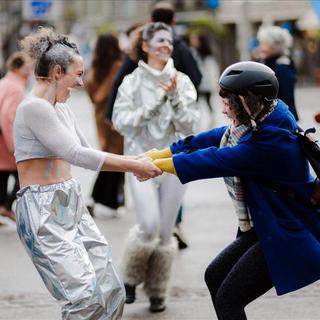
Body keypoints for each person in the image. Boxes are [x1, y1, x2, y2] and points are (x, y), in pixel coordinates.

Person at [146, 61, 320, 319]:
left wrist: (161, 166)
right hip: (267, 223)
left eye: (229, 103)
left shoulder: (271, 143)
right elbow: (219, 135)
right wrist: (166, 151)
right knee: (214, 276)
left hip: (286, 230)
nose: (224, 109)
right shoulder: (269, 114)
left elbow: (215, 159)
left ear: (248, 101)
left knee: (230, 298)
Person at [14, 26, 161, 320]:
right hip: (43, 211)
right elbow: (77, 154)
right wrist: (133, 164)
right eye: (77, 74)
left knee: (111, 290)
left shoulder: (61, 108)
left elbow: (89, 154)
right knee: (83, 298)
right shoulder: (34, 108)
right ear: (57, 72)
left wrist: (137, 158)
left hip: (69, 200)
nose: (81, 83)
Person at [112, 22, 198, 312]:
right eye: (160, 40)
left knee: (164, 231)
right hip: (140, 161)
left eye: (170, 40)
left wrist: (173, 97)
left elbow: (189, 125)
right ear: (145, 46)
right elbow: (121, 122)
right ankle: (130, 277)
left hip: (175, 162)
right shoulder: (131, 82)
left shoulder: (182, 81)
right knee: (147, 225)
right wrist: (154, 105)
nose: (166, 45)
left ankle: (158, 290)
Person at [85, 33, 125, 218]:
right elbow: (108, 91)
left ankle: (105, 198)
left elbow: (91, 91)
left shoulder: (94, 68)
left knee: (110, 155)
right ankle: (104, 198)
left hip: (101, 115)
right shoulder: (118, 65)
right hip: (114, 116)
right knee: (115, 157)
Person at [0, 51, 32, 224]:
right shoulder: (15, 88)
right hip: (7, 143)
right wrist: (15, 145)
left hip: (2, 143)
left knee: (4, 176)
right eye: (27, 65)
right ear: (20, 67)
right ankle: (7, 205)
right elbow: (8, 116)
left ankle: (4, 206)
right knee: (25, 173)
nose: (30, 68)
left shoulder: (6, 82)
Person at [257, 25, 299, 120]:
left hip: (282, 117)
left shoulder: (283, 66)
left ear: (275, 47)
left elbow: (285, 98)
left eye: (264, 44)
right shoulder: (265, 62)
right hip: (270, 116)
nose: (261, 48)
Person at [190, 33, 219, 117]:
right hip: (198, 82)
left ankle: (212, 118)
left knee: (207, 102)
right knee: (196, 102)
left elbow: (212, 69)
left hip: (206, 82)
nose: (193, 41)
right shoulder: (193, 52)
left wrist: (215, 82)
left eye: (195, 39)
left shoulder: (206, 55)